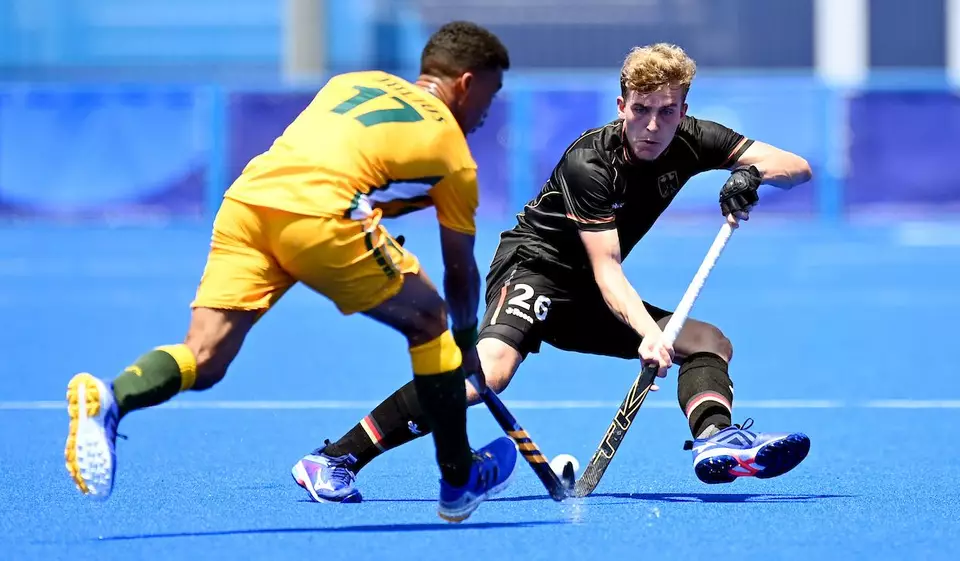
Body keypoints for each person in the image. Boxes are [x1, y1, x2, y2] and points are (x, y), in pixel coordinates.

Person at [292, 42, 814, 503]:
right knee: (488, 373)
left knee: (708, 342)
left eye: (667, 111)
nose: (653, 125)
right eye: (641, 110)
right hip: (534, 270)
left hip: (586, 292)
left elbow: (796, 167)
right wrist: (650, 335)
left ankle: (715, 439)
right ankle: (335, 458)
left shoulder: (695, 138)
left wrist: (749, 176)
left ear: (683, 110)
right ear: (622, 106)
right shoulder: (591, 163)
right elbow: (608, 270)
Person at [63, 21, 517, 523]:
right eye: (491, 93)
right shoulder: (454, 154)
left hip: (247, 204)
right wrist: (465, 341)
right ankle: (458, 479)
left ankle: (113, 397)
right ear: (466, 83)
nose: (486, 111)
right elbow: (460, 270)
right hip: (320, 218)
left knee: (205, 356)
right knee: (430, 322)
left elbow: (335, 159)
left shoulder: (353, 82)